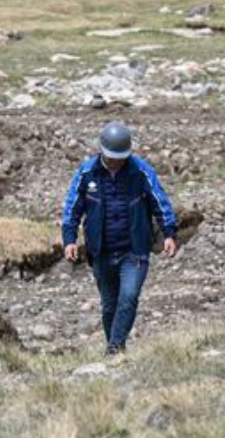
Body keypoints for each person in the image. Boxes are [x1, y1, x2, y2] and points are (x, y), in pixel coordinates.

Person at [61, 121, 179, 357]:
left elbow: (160, 201)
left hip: (134, 250)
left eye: (121, 158)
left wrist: (169, 233)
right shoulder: (87, 173)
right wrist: (69, 239)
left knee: (129, 297)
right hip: (101, 251)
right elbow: (72, 208)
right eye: (112, 157)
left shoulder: (141, 171)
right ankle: (116, 350)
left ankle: (114, 348)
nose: (116, 162)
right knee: (109, 305)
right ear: (102, 151)